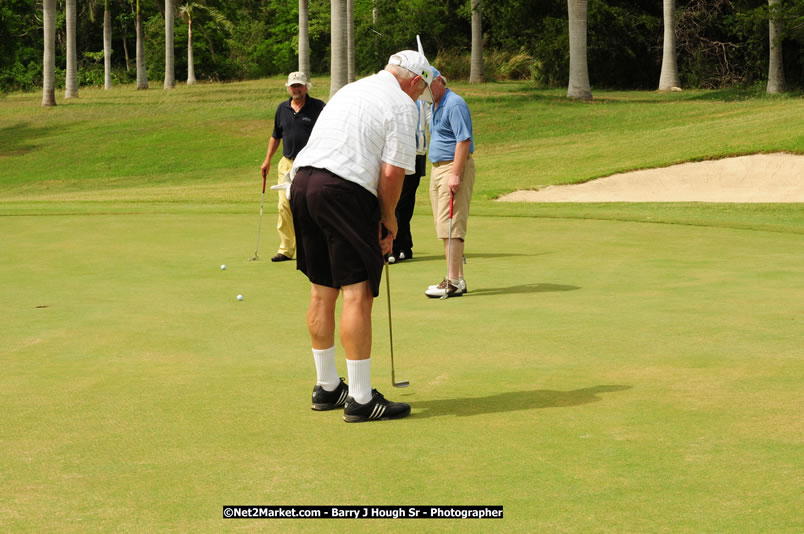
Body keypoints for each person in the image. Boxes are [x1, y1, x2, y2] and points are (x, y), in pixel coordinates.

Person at [289, 51, 433, 423]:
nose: (420, 97)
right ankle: (361, 399)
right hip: (342, 190)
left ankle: (327, 387)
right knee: (357, 292)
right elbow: (391, 174)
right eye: (422, 90)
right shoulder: (402, 104)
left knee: (322, 291)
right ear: (416, 81)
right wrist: (389, 220)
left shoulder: (352, 89)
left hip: (302, 184)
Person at [260, 72, 325, 262]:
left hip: (311, 164)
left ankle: (315, 246)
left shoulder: (318, 107)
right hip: (287, 164)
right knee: (284, 205)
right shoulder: (282, 108)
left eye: (299, 85)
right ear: (288, 88)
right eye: (293, 86)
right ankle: (286, 249)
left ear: (306, 87)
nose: (296, 89)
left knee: (310, 205)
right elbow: (276, 136)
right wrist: (267, 160)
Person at [424, 69, 475, 298]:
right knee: (443, 226)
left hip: (452, 167)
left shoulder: (454, 104)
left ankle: (452, 281)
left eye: (427, 85)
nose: (424, 91)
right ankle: (458, 279)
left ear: (438, 81)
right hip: (437, 169)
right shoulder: (434, 105)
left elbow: (463, 140)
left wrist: (455, 174)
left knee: (451, 226)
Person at [388, 98, 430, 264]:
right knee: (399, 202)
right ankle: (403, 245)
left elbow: (432, 122)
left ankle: (398, 247)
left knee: (405, 202)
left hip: (416, 156)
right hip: (398, 155)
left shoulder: (422, 103)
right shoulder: (395, 99)